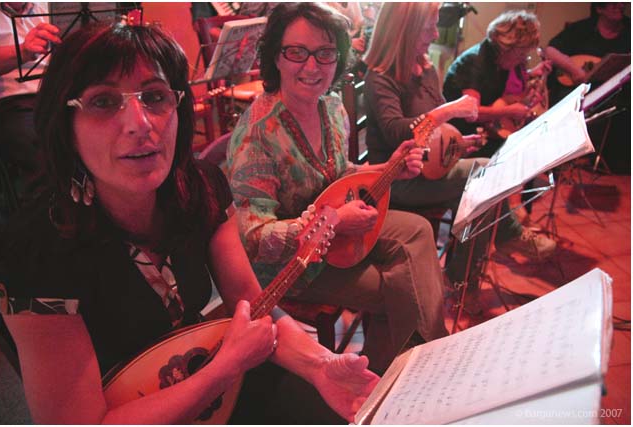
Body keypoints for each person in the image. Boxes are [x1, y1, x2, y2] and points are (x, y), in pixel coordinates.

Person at [0, 22, 378, 424]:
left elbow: (252, 304)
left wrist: (321, 364)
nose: (140, 124)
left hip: (208, 376)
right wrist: (224, 368)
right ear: (65, 124)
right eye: (104, 102)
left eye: (155, 97)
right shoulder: (33, 252)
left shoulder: (200, 188)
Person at [226, 2, 448, 376]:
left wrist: (389, 168)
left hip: (335, 238)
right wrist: (335, 221)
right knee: (399, 289)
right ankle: (411, 373)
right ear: (276, 57)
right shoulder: (256, 135)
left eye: (325, 53)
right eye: (297, 52)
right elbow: (254, 239)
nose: (312, 67)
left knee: (418, 231)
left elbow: (340, 174)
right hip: (294, 267)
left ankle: (398, 369)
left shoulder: (331, 108)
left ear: (338, 58)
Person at [361, 2, 557, 287]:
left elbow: (437, 129)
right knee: (485, 172)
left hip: (428, 170)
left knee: (478, 201)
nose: (435, 34)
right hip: (396, 179)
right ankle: (498, 246)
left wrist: (458, 143)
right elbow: (396, 133)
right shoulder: (380, 77)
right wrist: (449, 109)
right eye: (428, 28)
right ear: (404, 30)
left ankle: (462, 284)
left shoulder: (424, 66)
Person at [443, 9, 552, 158]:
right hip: (460, 137)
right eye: (521, 54)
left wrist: (530, 80)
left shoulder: (500, 61)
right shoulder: (474, 62)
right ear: (505, 47)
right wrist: (508, 111)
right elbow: (471, 113)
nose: (523, 59)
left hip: (482, 131)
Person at [0, 2, 61, 223]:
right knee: (41, 148)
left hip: (56, 93)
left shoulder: (49, 6)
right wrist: (23, 50)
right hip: (12, 100)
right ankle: (45, 225)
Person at [545, 2, 630, 105]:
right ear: (599, 9)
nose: (621, 6)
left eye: (623, 2)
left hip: (614, 95)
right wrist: (575, 71)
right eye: (614, 4)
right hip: (576, 90)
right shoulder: (583, 28)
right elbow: (550, 51)